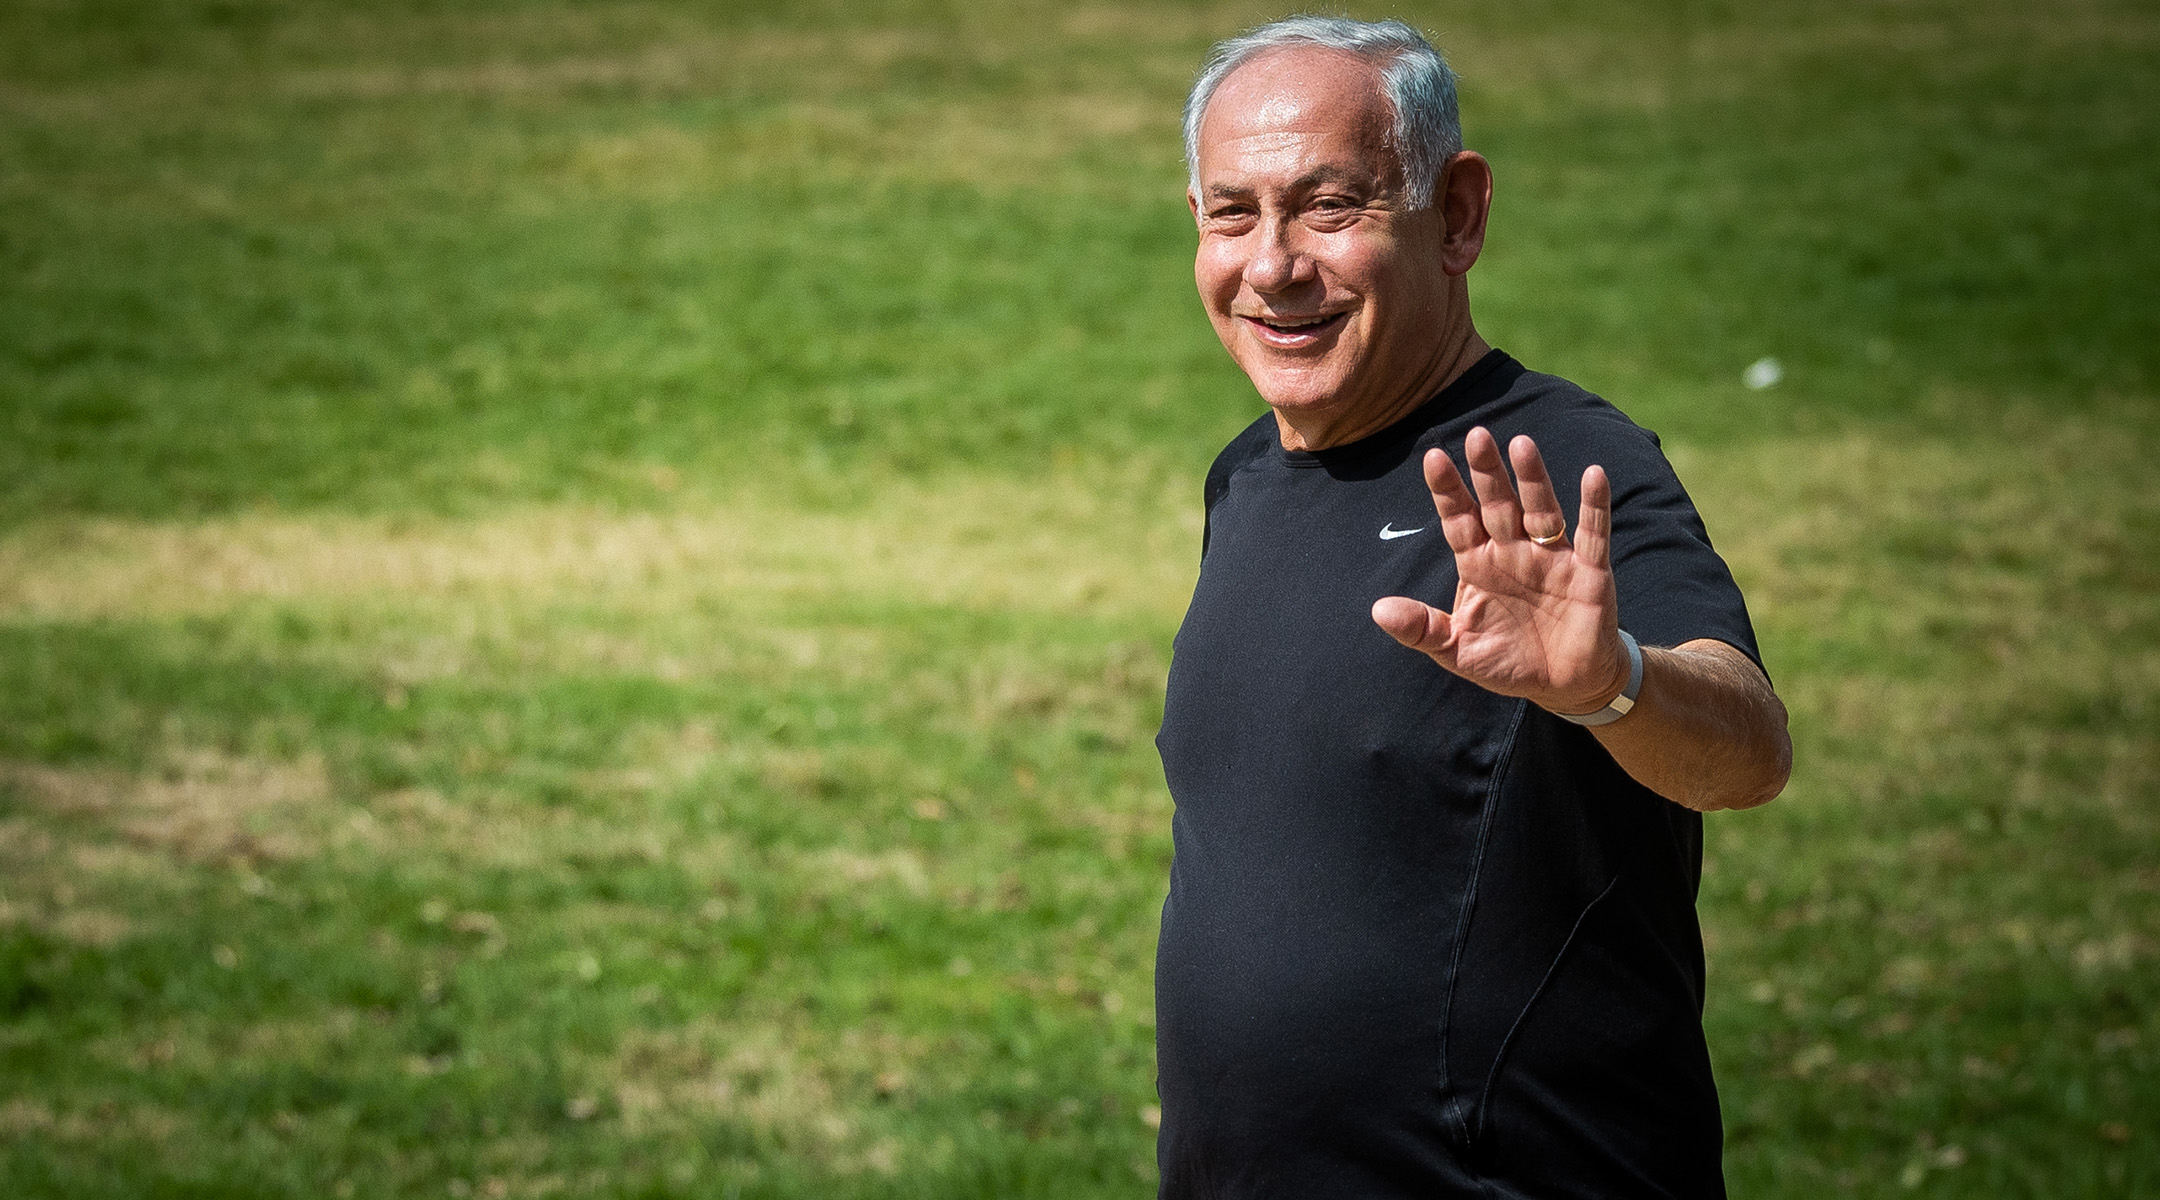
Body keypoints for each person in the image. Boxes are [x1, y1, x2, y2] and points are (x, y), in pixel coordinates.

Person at [1152, 16, 1793, 1199]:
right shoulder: (1244, 476)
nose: (1274, 265)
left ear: (1456, 215)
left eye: (1330, 207)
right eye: (1233, 212)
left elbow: (1748, 749)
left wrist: (1613, 681)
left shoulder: (1556, 461)